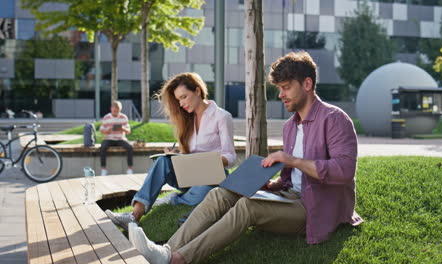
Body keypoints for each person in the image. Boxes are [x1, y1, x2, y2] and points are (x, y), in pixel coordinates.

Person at [127, 51, 364, 264]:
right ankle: (166, 251)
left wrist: (292, 160)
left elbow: (343, 172)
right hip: (290, 196)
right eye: (279, 88)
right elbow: (292, 180)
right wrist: (271, 184)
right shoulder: (291, 126)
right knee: (219, 194)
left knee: (247, 206)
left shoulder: (335, 119)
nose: (280, 94)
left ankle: (179, 259)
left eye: (286, 87)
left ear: (307, 84)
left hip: (315, 207)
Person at [105, 72, 236, 231]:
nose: (181, 104)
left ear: (197, 91)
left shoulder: (222, 116)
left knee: (202, 196)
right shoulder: (187, 119)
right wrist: (176, 155)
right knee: (163, 161)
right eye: (178, 99)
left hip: (212, 176)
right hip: (190, 174)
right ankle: (134, 215)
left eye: (184, 97)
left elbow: (231, 156)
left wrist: (205, 161)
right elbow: (189, 154)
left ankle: (172, 199)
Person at [99, 100, 133, 176]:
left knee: (130, 147)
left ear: (119, 110)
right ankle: (103, 169)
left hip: (120, 138)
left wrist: (123, 129)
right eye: (114, 111)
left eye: (117, 111)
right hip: (109, 138)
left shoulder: (124, 117)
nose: (115, 113)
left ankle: (129, 169)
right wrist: (108, 130)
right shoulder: (106, 117)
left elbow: (128, 131)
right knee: (102, 147)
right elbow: (101, 130)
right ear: (111, 109)